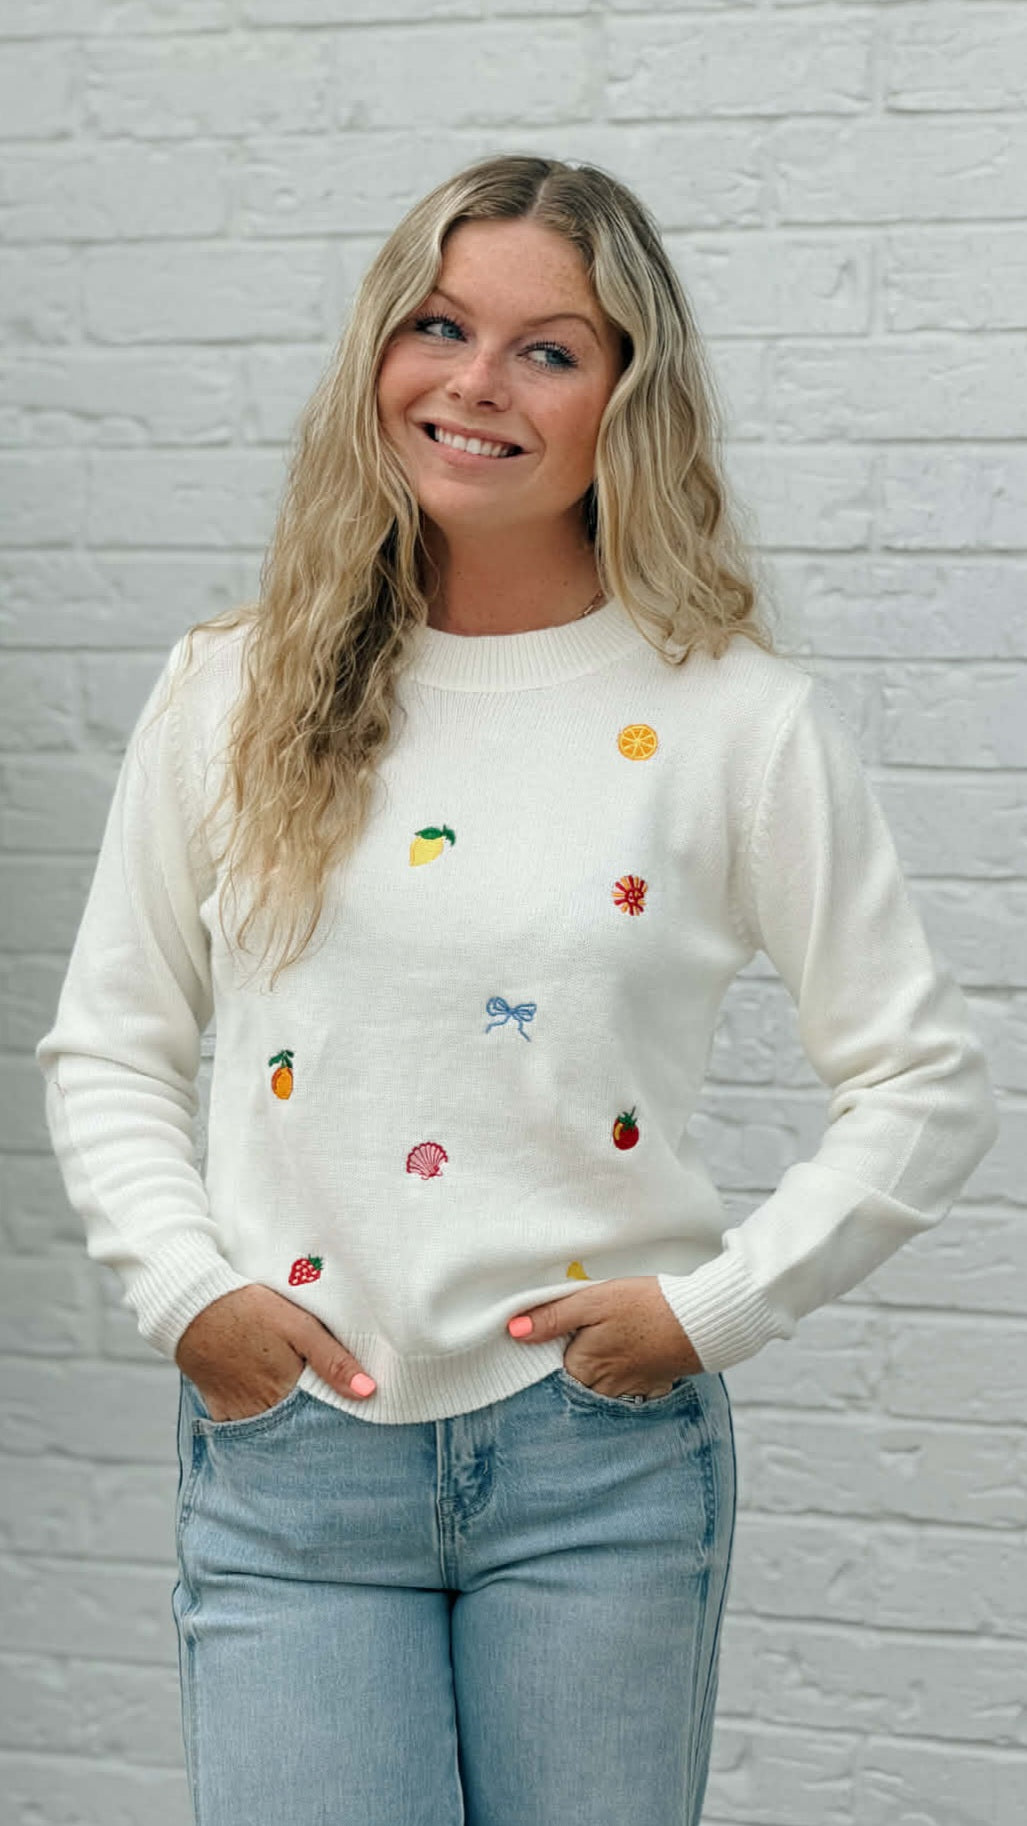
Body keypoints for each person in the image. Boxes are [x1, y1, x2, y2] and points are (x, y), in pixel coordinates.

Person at [35, 154, 1000, 1826]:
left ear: (627, 399)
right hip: (294, 1464)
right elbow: (114, 1040)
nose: (476, 382)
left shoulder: (734, 722)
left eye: (548, 349)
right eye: (439, 326)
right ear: (379, 354)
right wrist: (191, 1297)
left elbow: (926, 1081)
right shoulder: (230, 690)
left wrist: (710, 1309)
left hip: (597, 1469)